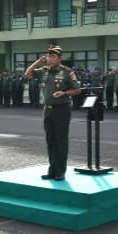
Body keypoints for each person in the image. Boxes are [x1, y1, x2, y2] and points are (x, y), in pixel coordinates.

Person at [25, 46, 81, 180]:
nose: (50, 59)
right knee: (50, 140)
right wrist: (37, 62)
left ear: (59, 59)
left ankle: (61, 171)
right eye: (49, 56)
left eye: (53, 56)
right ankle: (52, 170)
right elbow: (27, 74)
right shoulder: (43, 71)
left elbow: (77, 90)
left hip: (62, 110)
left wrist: (64, 93)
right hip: (48, 110)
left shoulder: (67, 72)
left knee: (61, 140)